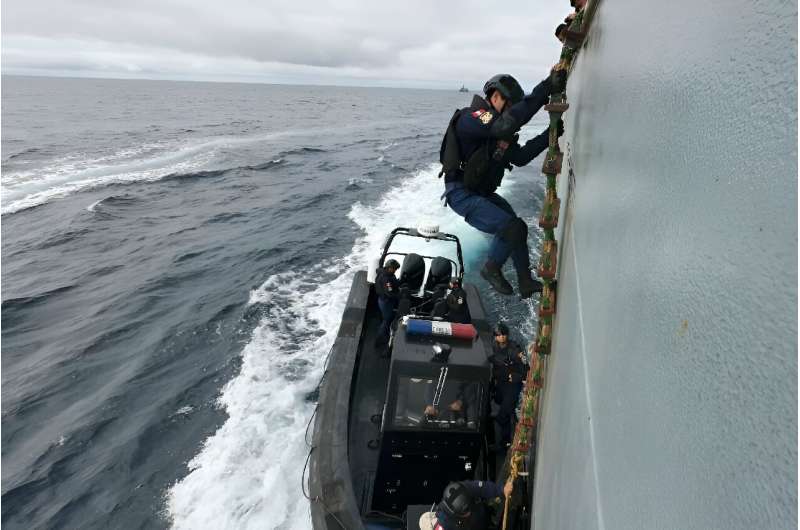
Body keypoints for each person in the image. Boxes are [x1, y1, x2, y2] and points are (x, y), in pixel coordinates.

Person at [439, 73, 563, 298]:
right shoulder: (472, 117)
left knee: (519, 228)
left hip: (481, 193)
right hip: (461, 194)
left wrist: (549, 135)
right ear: (496, 96)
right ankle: (491, 268)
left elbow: (521, 156)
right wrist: (545, 88)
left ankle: (525, 281)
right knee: (510, 227)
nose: (510, 111)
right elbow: (504, 125)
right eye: (510, 105)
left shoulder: (496, 134)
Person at [488, 322, 528, 447]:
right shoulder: (491, 348)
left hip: (512, 385)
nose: (502, 337)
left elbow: (526, 369)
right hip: (500, 383)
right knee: (498, 400)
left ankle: (505, 442)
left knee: (503, 415)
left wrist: (516, 377)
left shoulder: (515, 349)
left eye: (504, 334)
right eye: (499, 335)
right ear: (495, 337)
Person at [418, 480, 513, 530]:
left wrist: (501, 489)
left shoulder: (463, 488)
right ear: (454, 513)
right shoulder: (444, 525)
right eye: (465, 512)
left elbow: (482, 488)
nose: (468, 513)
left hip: (481, 516)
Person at [374, 259, 400, 350]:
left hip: (381, 300)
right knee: (386, 320)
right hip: (386, 302)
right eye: (394, 269)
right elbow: (389, 293)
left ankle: (384, 334)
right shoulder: (386, 279)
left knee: (386, 318)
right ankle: (379, 339)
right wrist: (398, 295)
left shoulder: (382, 272)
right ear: (389, 268)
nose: (395, 270)